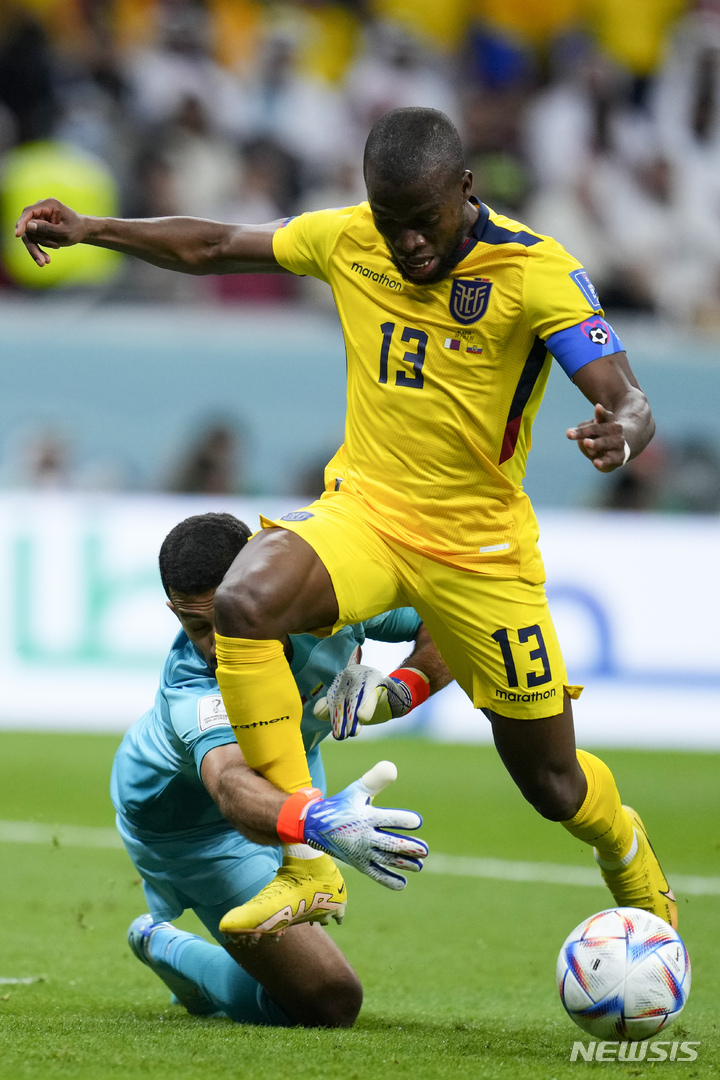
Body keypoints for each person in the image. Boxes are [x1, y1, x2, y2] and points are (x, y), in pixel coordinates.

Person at [17, 106, 677, 940]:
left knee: (553, 787)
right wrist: (94, 229)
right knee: (245, 601)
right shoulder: (348, 237)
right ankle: (309, 869)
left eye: (424, 221)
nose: (406, 245)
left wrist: (622, 429)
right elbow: (215, 245)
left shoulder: (535, 271)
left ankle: (629, 853)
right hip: (364, 512)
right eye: (389, 222)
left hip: (480, 550)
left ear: (466, 190)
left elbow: (627, 395)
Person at [111, 510, 447, 1024]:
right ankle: (165, 944)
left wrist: (404, 688)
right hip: (191, 828)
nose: (217, 646)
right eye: (196, 626)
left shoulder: (323, 600)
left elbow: (449, 619)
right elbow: (229, 783)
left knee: (311, 986)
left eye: (224, 619)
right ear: (173, 610)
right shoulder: (195, 689)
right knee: (329, 1002)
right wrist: (316, 823)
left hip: (292, 785)